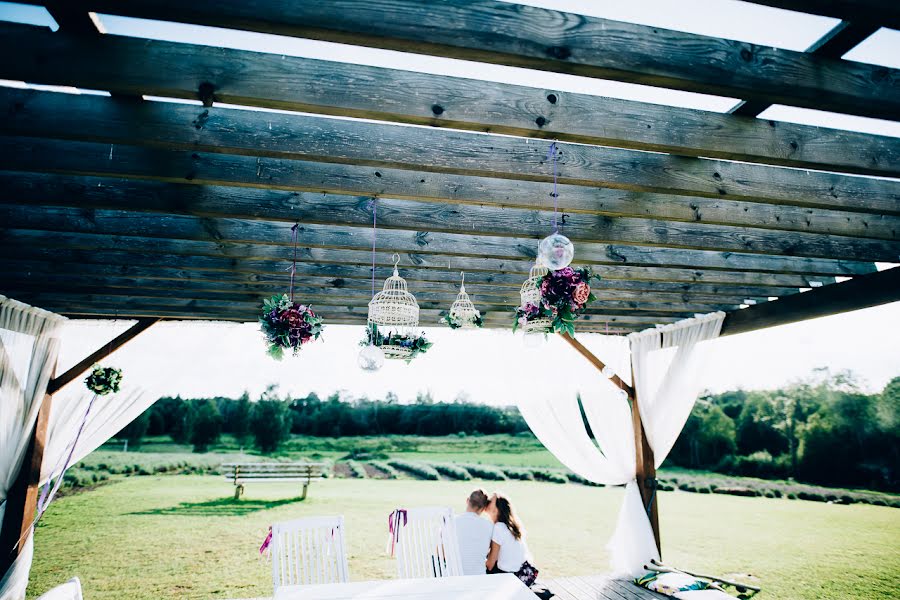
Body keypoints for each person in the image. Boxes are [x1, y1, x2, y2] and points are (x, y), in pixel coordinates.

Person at [485, 493, 550, 598]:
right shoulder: (513, 526)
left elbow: (490, 564)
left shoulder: (499, 528)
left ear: (497, 509)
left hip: (509, 577)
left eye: (490, 501)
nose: (487, 502)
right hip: (524, 573)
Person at [453, 488, 494, 575]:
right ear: (483, 508)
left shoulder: (452, 521)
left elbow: (441, 553)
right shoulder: (489, 526)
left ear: (467, 500)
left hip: (454, 576)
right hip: (478, 577)